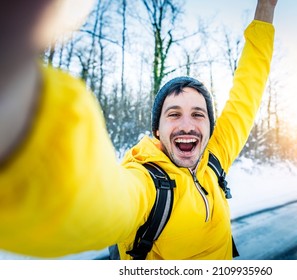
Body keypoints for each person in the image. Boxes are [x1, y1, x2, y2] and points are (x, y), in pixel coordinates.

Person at [0, 0, 277, 260]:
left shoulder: (215, 157)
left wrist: (265, 7)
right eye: (174, 114)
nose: (187, 126)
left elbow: (248, 90)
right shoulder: (147, 184)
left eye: (198, 114)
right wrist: (17, 134)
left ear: (209, 126)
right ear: (157, 130)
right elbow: (100, 206)